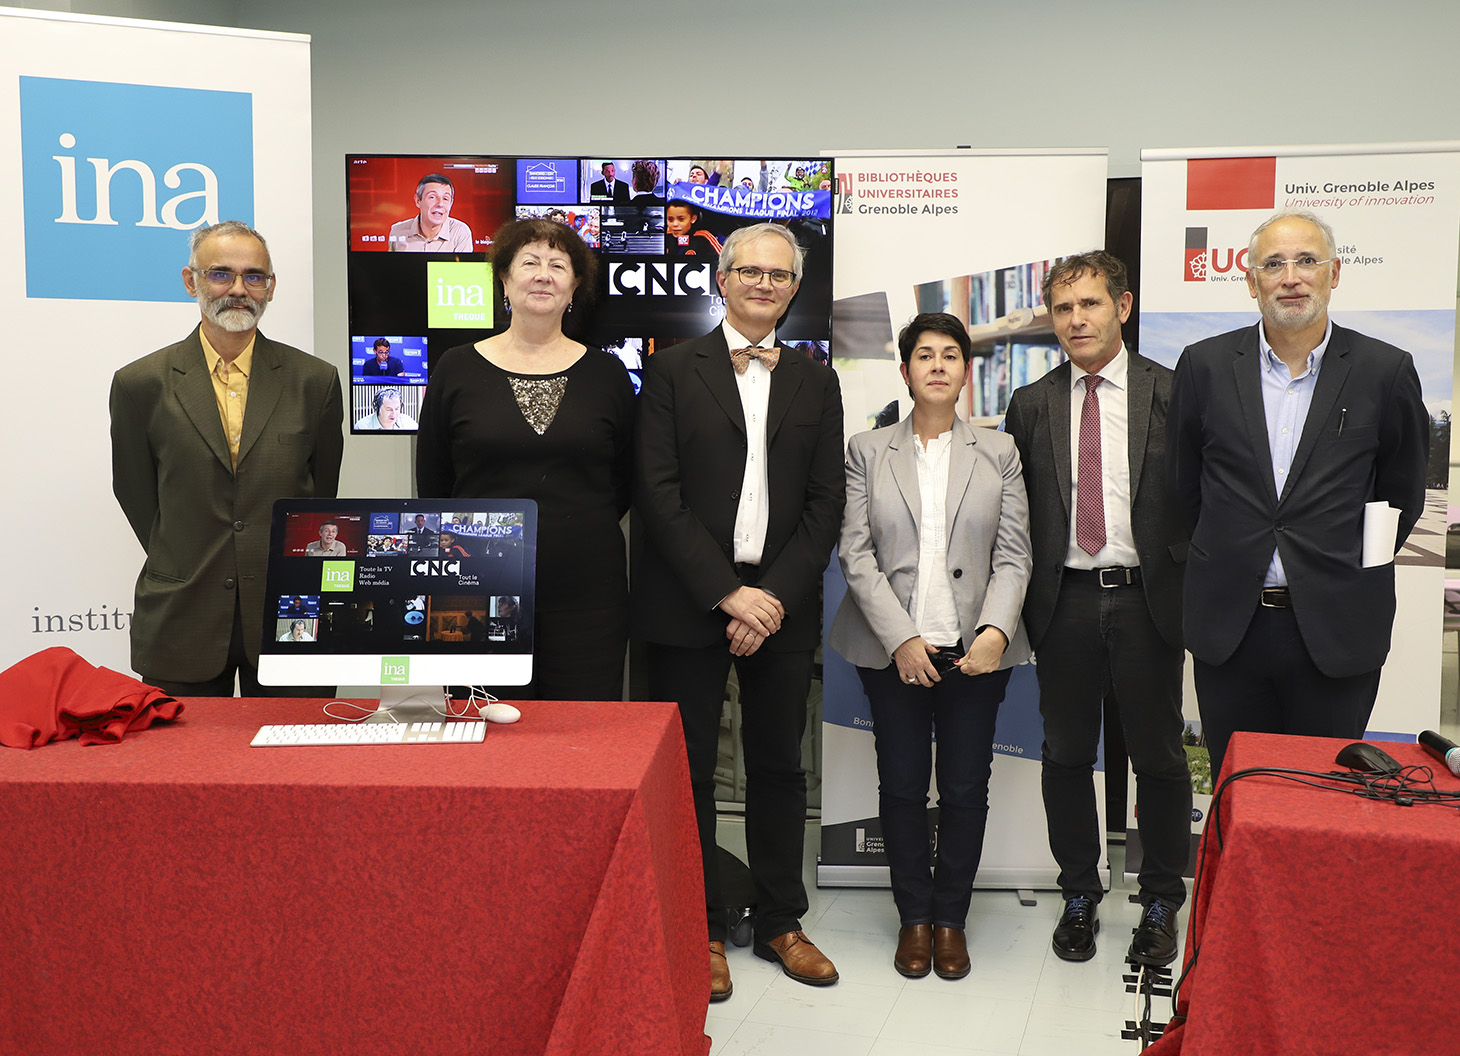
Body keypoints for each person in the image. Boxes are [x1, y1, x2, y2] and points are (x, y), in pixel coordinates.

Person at [634, 222, 846, 1000]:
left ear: (794, 289)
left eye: (779, 275)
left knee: (779, 768)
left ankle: (781, 920)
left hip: (781, 602)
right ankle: (704, 923)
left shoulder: (817, 381)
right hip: (689, 598)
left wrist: (770, 598)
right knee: (686, 771)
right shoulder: (671, 371)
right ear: (720, 280)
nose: (763, 284)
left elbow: (827, 503)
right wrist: (728, 593)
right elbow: (655, 495)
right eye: (749, 271)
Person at [1168, 210, 1429, 780]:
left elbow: (1401, 494)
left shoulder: (1384, 370)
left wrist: (1343, 559)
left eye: (1307, 261)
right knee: (1240, 792)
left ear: (1334, 274)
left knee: (1327, 798)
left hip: (1336, 629)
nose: (1292, 276)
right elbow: (1185, 490)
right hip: (1231, 631)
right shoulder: (1204, 366)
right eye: (1274, 264)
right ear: (1250, 280)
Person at [828, 313, 1031, 981]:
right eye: (924, 355)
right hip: (894, 654)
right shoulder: (867, 449)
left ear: (966, 371)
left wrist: (997, 631)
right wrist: (903, 639)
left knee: (967, 790)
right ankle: (914, 918)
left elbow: (1014, 554)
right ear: (906, 369)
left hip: (977, 654)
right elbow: (856, 556)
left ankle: (952, 921)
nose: (938, 365)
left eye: (950, 355)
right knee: (905, 788)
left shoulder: (999, 451)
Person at [1004, 251, 1192, 967]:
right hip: (1066, 604)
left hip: (1148, 603)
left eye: (1089, 304)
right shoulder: (1032, 402)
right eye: (1062, 308)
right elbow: (1019, 518)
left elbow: (1201, 500)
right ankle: (1079, 892)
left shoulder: (1172, 392)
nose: (1076, 319)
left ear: (1124, 306)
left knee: (1161, 759)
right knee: (1066, 756)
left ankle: (1160, 901)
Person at [109, 220, 343, 696]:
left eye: (254, 276)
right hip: (183, 612)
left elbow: (319, 494)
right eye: (221, 274)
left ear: (271, 287)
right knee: (183, 767)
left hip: (288, 613)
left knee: (297, 767)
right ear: (190, 280)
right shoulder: (140, 384)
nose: (239, 289)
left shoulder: (315, 381)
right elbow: (136, 493)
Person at [417, 218, 635, 700]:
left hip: (587, 594)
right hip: (474, 585)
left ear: (574, 286)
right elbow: (434, 482)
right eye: (530, 262)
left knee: (580, 740)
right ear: (504, 279)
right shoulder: (456, 367)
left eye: (559, 265)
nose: (543, 274)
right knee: (484, 741)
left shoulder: (608, 373)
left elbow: (625, 478)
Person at [387, 173, 473, 252]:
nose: (440, 204)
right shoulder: (397, 231)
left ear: (451, 203)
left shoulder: (460, 232)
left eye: (446, 198)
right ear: (418, 201)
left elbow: (462, 269)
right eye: (432, 197)